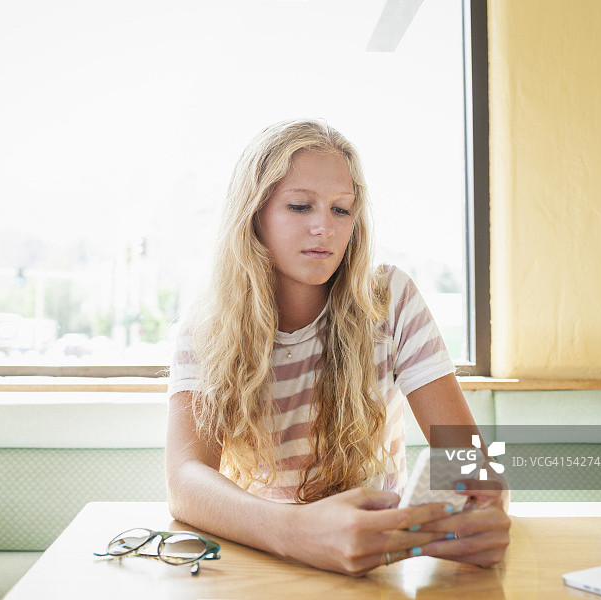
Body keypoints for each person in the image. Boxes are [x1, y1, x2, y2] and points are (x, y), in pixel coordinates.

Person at [166, 119, 510, 576]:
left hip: (376, 569)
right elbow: (186, 483)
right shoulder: (207, 325)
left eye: (341, 210)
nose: (324, 228)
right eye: (300, 206)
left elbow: (470, 465)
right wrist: (295, 532)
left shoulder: (390, 299)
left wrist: (482, 510)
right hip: (260, 565)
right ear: (254, 215)